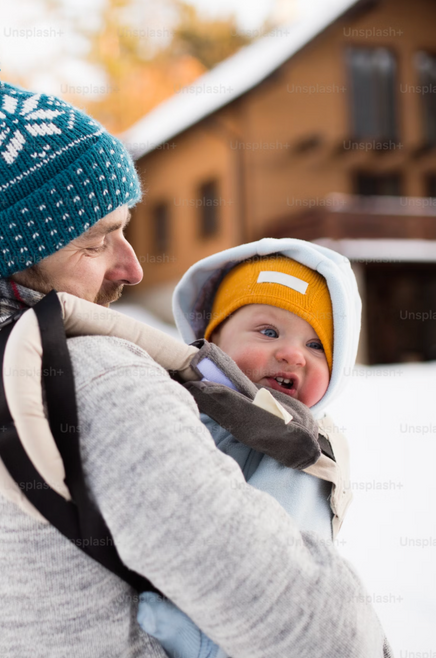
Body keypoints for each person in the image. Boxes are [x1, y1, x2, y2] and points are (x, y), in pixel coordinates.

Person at [0, 19, 391, 657]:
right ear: (8, 254)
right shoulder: (94, 380)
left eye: (124, 231)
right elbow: (293, 615)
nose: (132, 267)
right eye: (96, 242)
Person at [136, 246, 360, 657]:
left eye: (316, 345)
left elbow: (278, 572)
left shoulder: (299, 451)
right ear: (214, 338)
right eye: (269, 332)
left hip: (244, 631)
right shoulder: (179, 401)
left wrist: (202, 640)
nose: (293, 354)